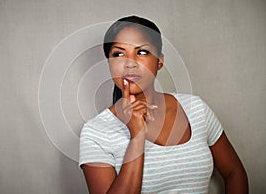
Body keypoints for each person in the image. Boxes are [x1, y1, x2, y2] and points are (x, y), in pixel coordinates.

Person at [79, 15, 248, 194]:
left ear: (159, 61)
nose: (130, 64)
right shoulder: (95, 132)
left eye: (142, 52)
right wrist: (137, 137)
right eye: (119, 54)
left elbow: (234, 172)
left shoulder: (196, 108)